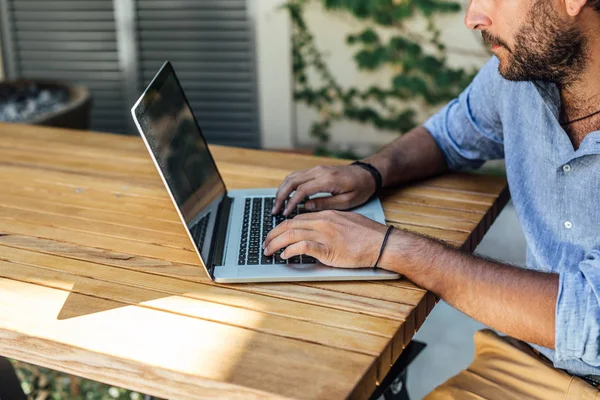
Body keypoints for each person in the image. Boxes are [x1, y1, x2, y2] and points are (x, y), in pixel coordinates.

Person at [262, 0, 600, 398]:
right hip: (533, 360)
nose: (473, 17)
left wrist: (389, 247)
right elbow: (452, 134)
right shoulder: (523, 76)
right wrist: (371, 172)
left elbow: (588, 319)